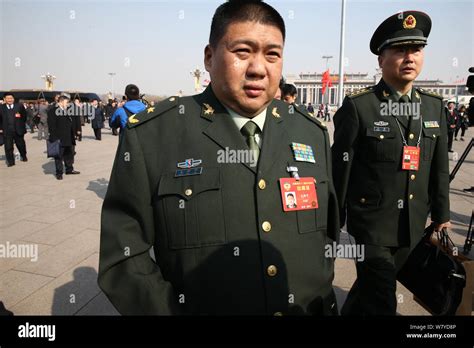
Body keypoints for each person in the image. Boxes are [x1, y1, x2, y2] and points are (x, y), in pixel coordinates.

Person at [99, 0, 339, 316]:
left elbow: (329, 234)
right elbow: (123, 257)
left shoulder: (310, 132)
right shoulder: (154, 134)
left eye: (272, 54)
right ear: (209, 58)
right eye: (243, 51)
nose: (258, 68)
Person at [332, 11, 450, 316]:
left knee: (370, 292)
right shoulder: (360, 107)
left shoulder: (434, 107)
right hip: (370, 226)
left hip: (412, 224)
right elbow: (340, 168)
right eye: (400, 50)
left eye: (417, 50)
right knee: (383, 298)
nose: (410, 57)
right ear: (381, 59)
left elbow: (438, 167)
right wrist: (332, 220)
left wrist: (441, 215)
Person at [47, 95, 80, 180]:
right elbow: (51, 126)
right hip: (59, 138)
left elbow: (74, 121)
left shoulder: (68, 110)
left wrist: (76, 131)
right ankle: (59, 173)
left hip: (69, 137)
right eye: (66, 102)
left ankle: (69, 169)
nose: (68, 104)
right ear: (61, 101)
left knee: (69, 154)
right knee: (59, 156)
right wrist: (55, 138)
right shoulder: (53, 111)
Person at [0, 92, 28, 166]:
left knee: (21, 145)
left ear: (13, 99)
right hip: (7, 130)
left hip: (18, 130)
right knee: (8, 147)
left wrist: (21, 125)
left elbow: (24, 117)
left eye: (11, 98)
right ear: (4, 99)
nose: (10, 100)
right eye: (8, 98)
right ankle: (11, 162)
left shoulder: (19, 106)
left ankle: (23, 155)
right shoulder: (1, 107)